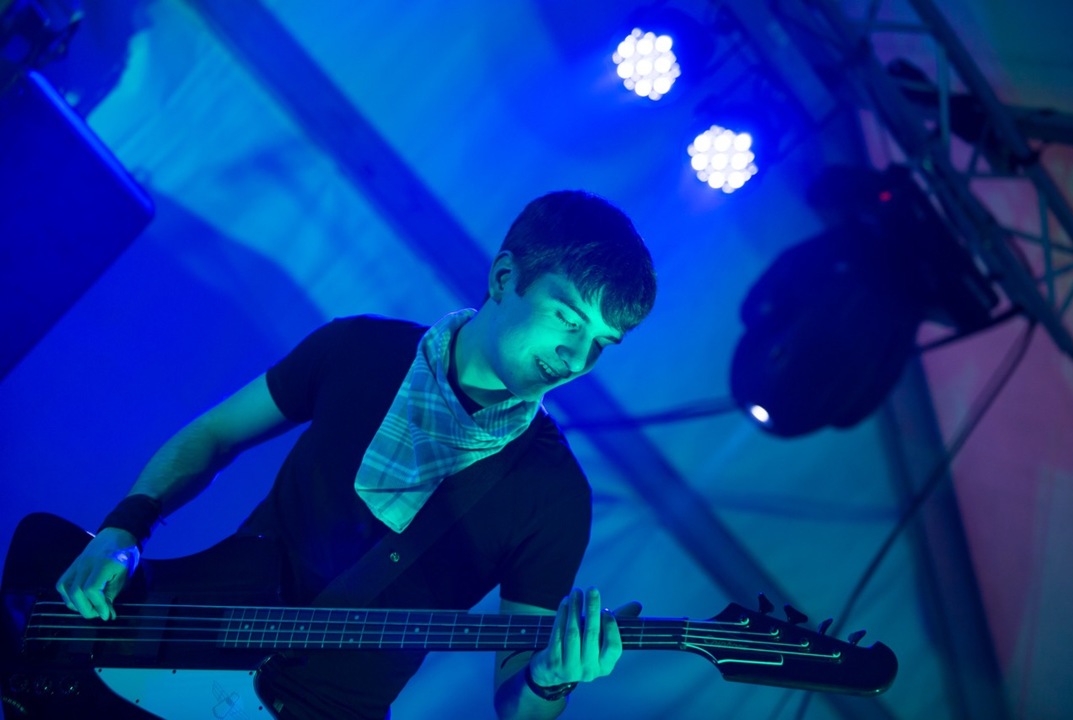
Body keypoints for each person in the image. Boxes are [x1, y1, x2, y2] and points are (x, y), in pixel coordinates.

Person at [56, 190, 658, 719]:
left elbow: (514, 703)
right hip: (176, 651)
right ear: (504, 278)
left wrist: (550, 680)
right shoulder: (360, 347)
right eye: (567, 319)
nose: (577, 358)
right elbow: (215, 434)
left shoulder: (555, 495)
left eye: (601, 343)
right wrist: (123, 528)